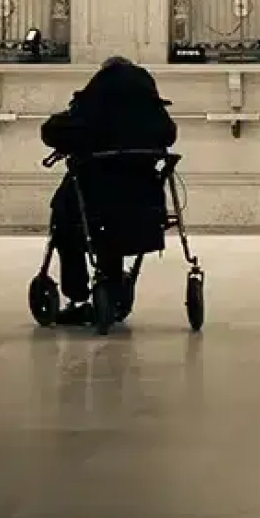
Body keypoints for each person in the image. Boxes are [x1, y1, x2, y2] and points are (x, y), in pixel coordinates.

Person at [40, 57, 177, 323]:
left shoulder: (92, 108)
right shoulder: (152, 110)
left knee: (67, 219)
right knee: (110, 226)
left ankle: (77, 293)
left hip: (95, 193)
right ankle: (114, 286)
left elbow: (56, 132)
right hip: (143, 199)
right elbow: (168, 135)